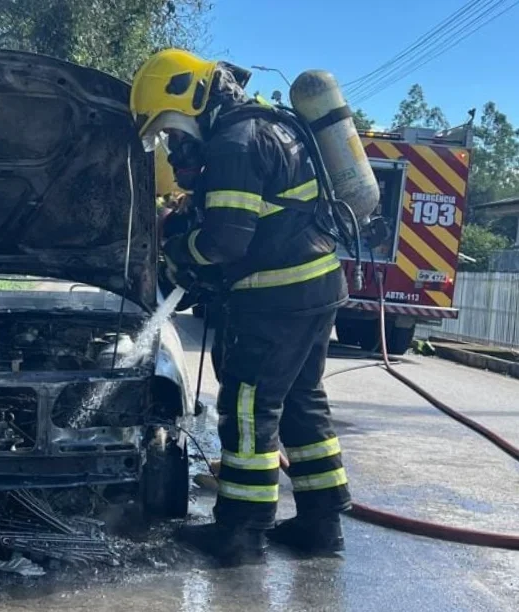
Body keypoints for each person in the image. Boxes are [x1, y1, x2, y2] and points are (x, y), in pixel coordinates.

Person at [130, 49, 352, 566]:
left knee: (250, 409)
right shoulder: (269, 127)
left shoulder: (234, 142)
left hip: (278, 297)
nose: (174, 145)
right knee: (300, 403)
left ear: (188, 99)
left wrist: (179, 254)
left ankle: (242, 532)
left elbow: (227, 241)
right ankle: (322, 525)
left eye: (173, 132)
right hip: (314, 289)